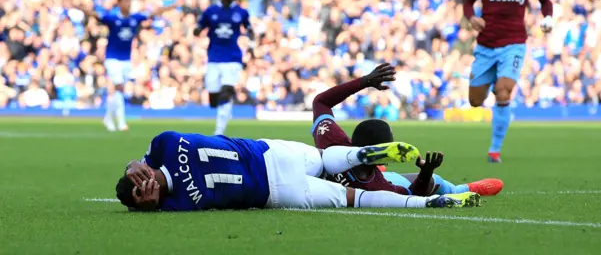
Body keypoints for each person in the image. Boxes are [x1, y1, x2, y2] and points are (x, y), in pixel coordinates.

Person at [115, 131, 481, 211]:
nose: (144, 189)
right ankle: (363, 156)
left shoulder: (175, 198)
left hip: (272, 172)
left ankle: (425, 201)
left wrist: (141, 189)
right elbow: (145, 158)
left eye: (138, 185)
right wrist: (138, 168)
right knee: (334, 171)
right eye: (141, 195)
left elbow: (143, 164)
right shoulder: (163, 147)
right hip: (272, 169)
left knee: (346, 190)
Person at [311, 63, 503, 197]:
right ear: (380, 151)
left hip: (368, 171)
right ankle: (464, 189)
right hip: (371, 178)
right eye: (391, 145)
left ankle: (471, 187)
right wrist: (427, 172)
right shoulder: (378, 187)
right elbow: (412, 195)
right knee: (435, 182)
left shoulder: (332, 140)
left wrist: (364, 81)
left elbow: (320, 101)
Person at [463, 0, 554, 163]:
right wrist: (472, 18)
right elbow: (467, 2)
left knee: (504, 91)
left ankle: (494, 150)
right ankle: (493, 80)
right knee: (475, 101)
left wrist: (547, 18)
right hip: (485, 45)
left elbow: (546, 2)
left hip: (514, 43)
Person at [79, 0, 176, 131]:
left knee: (119, 91)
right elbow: (95, 15)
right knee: (119, 87)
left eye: (129, 1)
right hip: (112, 58)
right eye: (125, 1)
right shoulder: (112, 19)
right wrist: (81, 8)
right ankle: (121, 122)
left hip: (126, 60)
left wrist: (172, 6)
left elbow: (153, 13)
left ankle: (108, 117)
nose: (128, 4)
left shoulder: (134, 19)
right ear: (119, 3)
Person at [194, 0, 254, 135]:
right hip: (214, 58)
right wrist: (197, 30)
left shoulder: (241, 12)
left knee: (226, 91)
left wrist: (252, 45)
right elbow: (200, 26)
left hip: (233, 58)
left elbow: (249, 29)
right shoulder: (210, 11)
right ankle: (225, 109)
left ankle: (219, 131)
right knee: (214, 97)